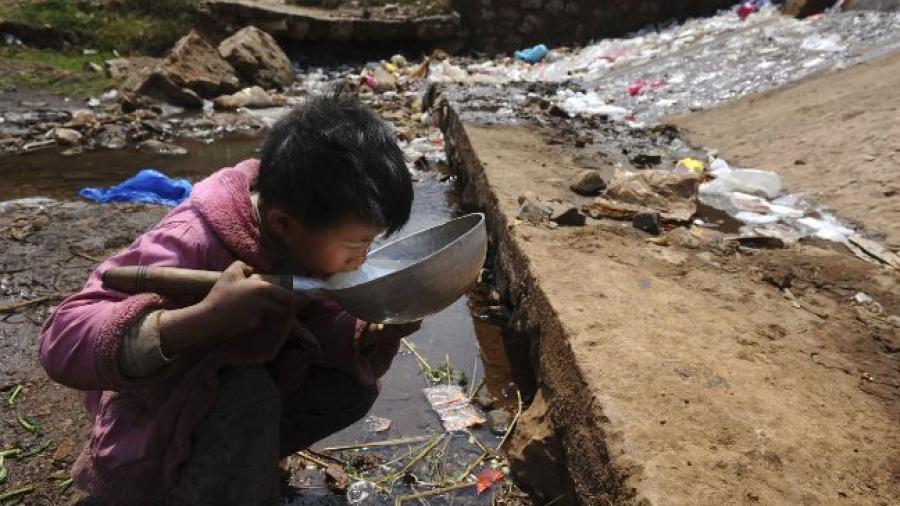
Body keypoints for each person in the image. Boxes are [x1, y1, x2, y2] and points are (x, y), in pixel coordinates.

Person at [38, 89, 419, 505]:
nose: (362, 258)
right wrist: (206, 317)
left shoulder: (306, 238)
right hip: (155, 421)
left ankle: (236, 475)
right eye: (356, 245)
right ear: (283, 223)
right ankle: (174, 489)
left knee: (350, 384)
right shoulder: (192, 239)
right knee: (245, 390)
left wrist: (365, 331)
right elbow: (61, 338)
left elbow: (316, 318)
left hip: (228, 408)